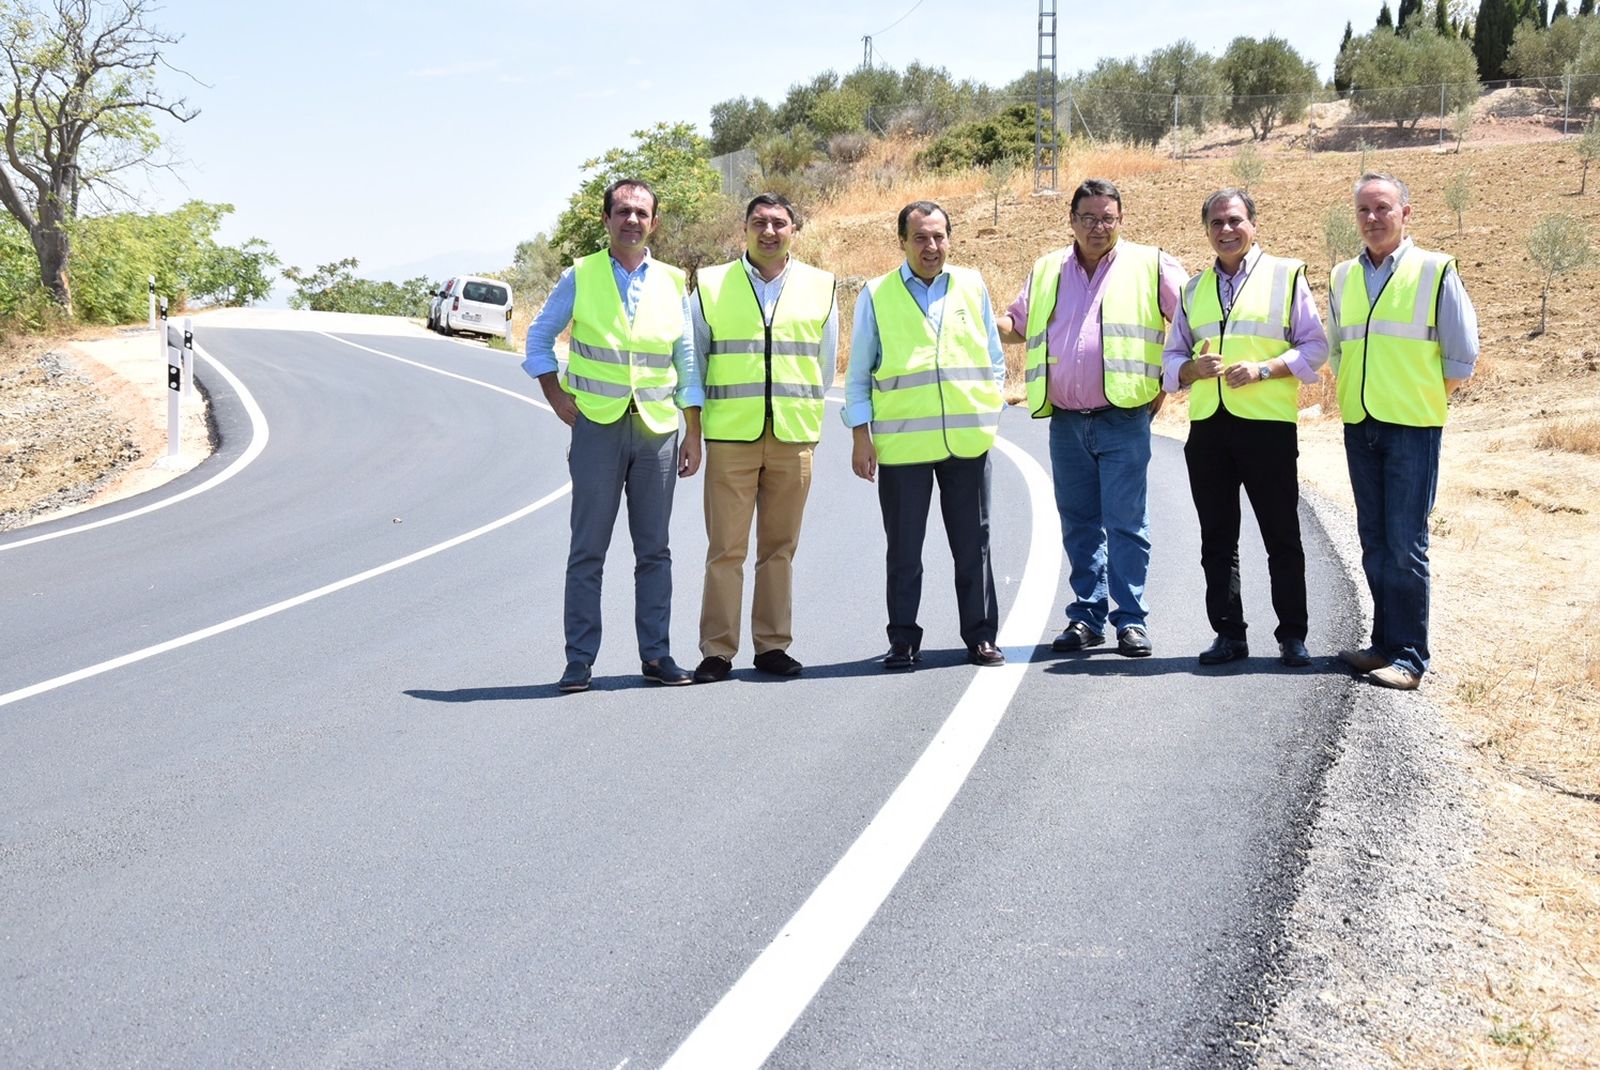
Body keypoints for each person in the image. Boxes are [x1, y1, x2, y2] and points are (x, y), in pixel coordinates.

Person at [522, 177, 704, 693]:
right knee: (588, 551)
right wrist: (554, 393)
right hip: (596, 428)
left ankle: (657, 656)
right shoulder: (581, 274)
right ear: (606, 219)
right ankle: (579, 661)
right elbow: (539, 336)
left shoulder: (672, 281)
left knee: (655, 551)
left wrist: (693, 430)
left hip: (657, 431)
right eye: (622, 211)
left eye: (641, 213)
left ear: (654, 223)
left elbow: (686, 359)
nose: (632, 220)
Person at [998, 178, 1186, 658]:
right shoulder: (1047, 269)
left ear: (1121, 220)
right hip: (1065, 422)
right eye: (1088, 218)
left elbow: (1191, 321)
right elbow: (1018, 325)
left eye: (1107, 218)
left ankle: (1131, 620)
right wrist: (975, 318)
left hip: (1123, 418)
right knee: (1079, 524)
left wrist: (1170, 380)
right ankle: (1087, 616)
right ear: (1071, 220)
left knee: (1126, 523)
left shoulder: (1151, 264)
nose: (1098, 227)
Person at [1162, 188, 1328, 668]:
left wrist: (1264, 370)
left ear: (1253, 223)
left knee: (1281, 536)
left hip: (1267, 427)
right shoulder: (1193, 290)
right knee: (1216, 539)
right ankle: (1229, 634)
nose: (1226, 230)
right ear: (1206, 230)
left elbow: (1315, 346)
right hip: (1208, 430)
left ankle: (1292, 636)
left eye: (1235, 220)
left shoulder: (1285, 276)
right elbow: (1172, 359)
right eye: (1216, 222)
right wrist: (1191, 370)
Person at [1329, 172, 1479, 691]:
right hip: (1360, 425)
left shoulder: (1435, 271)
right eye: (1364, 210)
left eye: (1383, 208)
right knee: (1374, 542)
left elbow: (1461, 359)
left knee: (1405, 545)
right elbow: (1338, 350)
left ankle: (1410, 658)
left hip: (1412, 429)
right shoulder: (1342, 276)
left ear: (1405, 213)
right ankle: (1383, 646)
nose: (1372, 218)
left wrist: (1418, 398)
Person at [845, 200, 1007, 671]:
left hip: (967, 442)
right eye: (920, 237)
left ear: (949, 239)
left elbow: (994, 358)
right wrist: (860, 436)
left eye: (938, 236)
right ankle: (902, 640)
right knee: (904, 549)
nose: (930, 246)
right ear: (902, 241)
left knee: (974, 545)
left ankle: (981, 636)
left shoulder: (972, 284)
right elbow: (858, 373)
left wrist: (990, 409)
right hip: (903, 446)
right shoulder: (876, 294)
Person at [690, 193, 838, 683]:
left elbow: (823, 367)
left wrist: (801, 419)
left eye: (778, 223)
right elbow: (695, 362)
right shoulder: (710, 284)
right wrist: (697, 427)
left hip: (794, 438)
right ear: (745, 229)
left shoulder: (822, 286)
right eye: (759, 222)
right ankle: (717, 651)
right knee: (725, 550)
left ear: (794, 229)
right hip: (730, 437)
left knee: (779, 549)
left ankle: (772, 646)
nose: (769, 231)